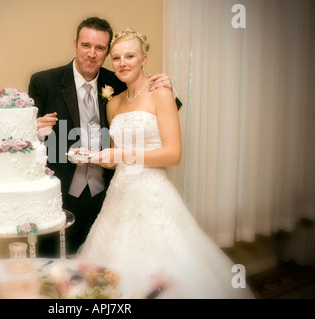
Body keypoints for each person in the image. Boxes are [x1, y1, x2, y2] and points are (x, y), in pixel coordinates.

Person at [77, 29, 254, 299]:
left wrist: (121, 156)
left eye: (130, 56)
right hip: (119, 197)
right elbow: (116, 158)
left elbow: (173, 154)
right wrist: (98, 156)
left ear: (144, 59)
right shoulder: (112, 104)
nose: (123, 63)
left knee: (164, 274)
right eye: (116, 58)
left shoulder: (161, 94)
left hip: (153, 194)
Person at [28, 17, 181, 257]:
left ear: (106, 52)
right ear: (75, 44)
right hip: (62, 198)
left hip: (106, 196)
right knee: (55, 272)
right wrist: (33, 130)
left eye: (100, 48)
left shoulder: (117, 80)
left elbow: (151, 112)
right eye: (86, 45)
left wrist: (168, 88)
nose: (91, 53)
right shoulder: (44, 82)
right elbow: (25, 144)